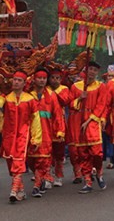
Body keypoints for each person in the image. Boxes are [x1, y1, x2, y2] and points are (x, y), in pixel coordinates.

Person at [0, 71, 42, 203]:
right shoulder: (7, 98)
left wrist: (36, 138)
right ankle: (21, 191)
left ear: (24, 83)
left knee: (18, 162)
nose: (16, 82)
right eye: (14, 80)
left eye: (19, 80)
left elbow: (36, 120)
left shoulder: (30, 99)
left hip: (23, 135)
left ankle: (13, 190)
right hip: (8, 135)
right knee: (11, 162)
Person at [70, 61, 109, 194]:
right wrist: (79, 99)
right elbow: (70, 103)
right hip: (78, 121)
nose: (92, 72)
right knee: (83, 154)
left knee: (96, 152)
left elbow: (101, 104)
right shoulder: (75, 87)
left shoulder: (101, 86)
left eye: (94, 70)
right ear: (85, 70)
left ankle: (99, 172)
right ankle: (87, 181)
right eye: (90, 69)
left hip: (93, 121)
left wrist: (91, 120)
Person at [27, 67, 65, 197]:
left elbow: (57, 114)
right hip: (30, 132)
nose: (42, 80)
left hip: (47, 131)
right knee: (30, 159)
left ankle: (40, 182)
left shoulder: (51, 95)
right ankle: (42, 177)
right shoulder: (28, 94)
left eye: (44, 78)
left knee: (44, 159)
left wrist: (60, 131)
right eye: (39, 78)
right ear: (34, 79)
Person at [47, 65, 71, 186]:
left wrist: (53, 93)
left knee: (59, 154)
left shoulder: (64, 89)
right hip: (46, 124)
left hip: (60, 123)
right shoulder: (45, 89)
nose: (55, 80)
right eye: (52, 77)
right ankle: (48, 176)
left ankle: (59, 176)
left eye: (57, 78)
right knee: (47, 153)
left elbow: (65, 101)